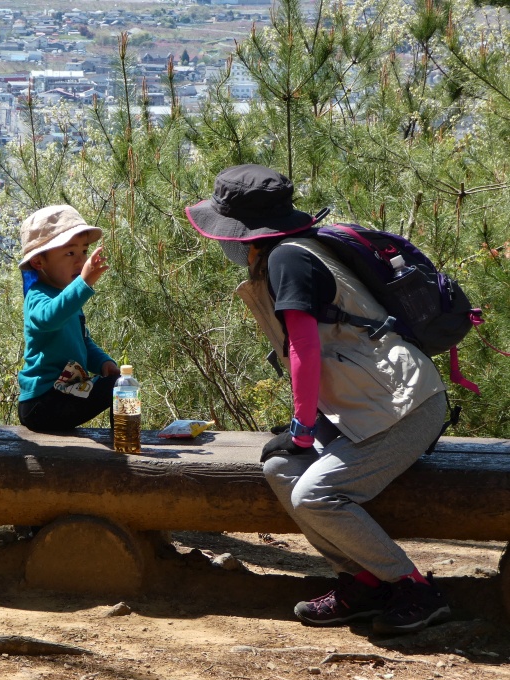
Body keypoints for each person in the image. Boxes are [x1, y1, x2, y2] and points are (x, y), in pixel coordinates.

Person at [185, 164, 451, 635]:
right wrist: (300, 436)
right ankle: (363, 581)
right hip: (370, 407)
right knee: (280, 470)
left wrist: (303, 431)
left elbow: (303, 348)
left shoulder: (288, 259)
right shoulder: (290, 253)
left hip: (406, 404)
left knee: (316, 493)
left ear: (241, 231)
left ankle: (414, 588)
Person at [17, 204, 121, 432]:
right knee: (117, 386)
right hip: (41, 403)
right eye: (70, 253)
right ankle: (121, 442)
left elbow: (83, 340)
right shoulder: (37, 296)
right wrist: (83, 285)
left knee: (120, 383)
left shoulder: (67, 298)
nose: (80, 261)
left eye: (84, 251)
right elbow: (49, 318)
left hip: (66, 393)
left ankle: (123, 436)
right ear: (39, 262)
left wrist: (103, 362)